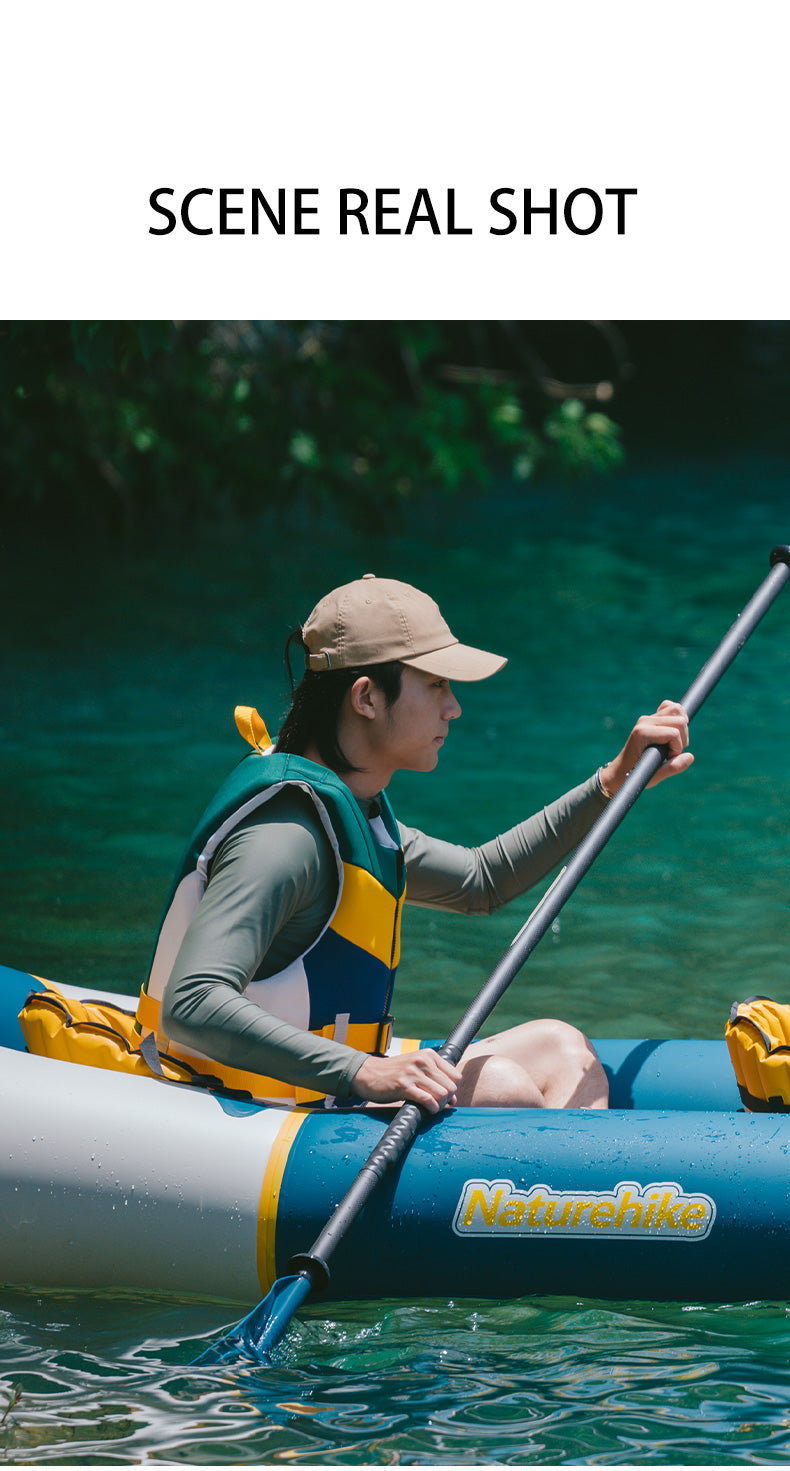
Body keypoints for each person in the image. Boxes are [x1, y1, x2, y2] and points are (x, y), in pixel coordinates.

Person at [134, 575, 692, 1113]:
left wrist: (613, 782)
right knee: (501, 1087)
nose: (454, 707)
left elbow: (483, 880)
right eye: (436, 685)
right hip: (237, 1108)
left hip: (317, 1095)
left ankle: (586, 1203)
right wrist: (363, 1071)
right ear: (367, 697)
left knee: (560, 1044)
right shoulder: (286, 839)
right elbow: (192, 1002)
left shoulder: (355, 817)